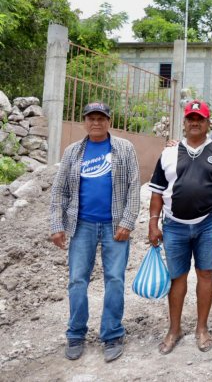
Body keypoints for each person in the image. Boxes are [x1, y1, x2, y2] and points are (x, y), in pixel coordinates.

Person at [148, 100, 212, 354]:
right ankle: (174, 329)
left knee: (205, 274)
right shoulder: (168, 153)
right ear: (185, 123)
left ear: (208, 123)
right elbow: (156, 192)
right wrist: (153, 223)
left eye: (200, 119)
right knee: (177, 278)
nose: (195, 123)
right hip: (174, 225)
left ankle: (202, 328)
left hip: (209, 223)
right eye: (191, 118)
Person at [50, 102, 140, 362]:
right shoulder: (72, 152)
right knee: (78, 280)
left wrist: (128, 222)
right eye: (91, 118)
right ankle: (76, 334)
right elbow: (59, 191)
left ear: (109, 121)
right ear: (85, 122)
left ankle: (112, 334)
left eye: (102, 118)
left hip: (115, 226)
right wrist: (57, 225)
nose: (96, 123)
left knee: (115, 279)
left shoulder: (124, 148)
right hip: (81, 226)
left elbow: (135, 188)